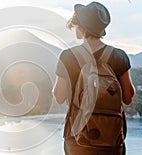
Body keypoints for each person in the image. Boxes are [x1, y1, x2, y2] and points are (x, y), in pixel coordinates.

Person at [53, 1, 135, 155]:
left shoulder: (68, 56)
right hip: (111, 140)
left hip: (77, 140)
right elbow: (128, 97)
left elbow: (58, 96)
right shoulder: (119, 57)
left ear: (81, 26)